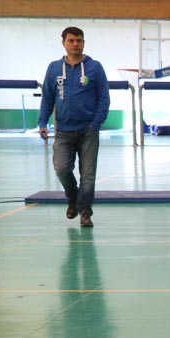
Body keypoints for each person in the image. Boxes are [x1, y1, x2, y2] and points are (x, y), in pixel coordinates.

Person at [38, 26, 110, 228]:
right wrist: (43, 122)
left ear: (83, 43)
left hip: (88, 131)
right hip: (63, 132)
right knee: (61, 169)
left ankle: (85, 212)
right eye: (71, 40)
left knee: (88, 174)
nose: (75, 44)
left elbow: (104, 98)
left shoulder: (95, 67)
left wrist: (96, 124)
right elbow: (48, 98)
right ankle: (73, 199)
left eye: (79, 40)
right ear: (64, 43)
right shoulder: (53, 68)